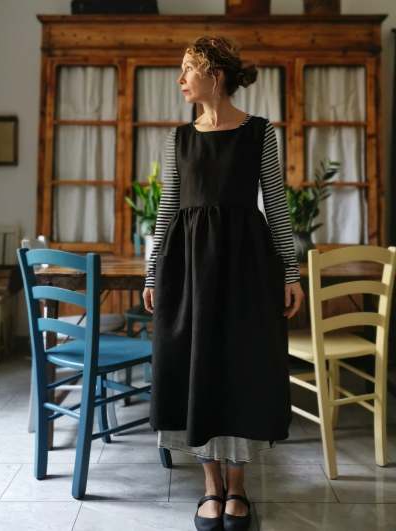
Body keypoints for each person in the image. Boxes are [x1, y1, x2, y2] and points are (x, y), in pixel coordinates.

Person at [143, 35, 305, 531]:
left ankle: (238, 488)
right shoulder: (179, 138)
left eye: (187, 70)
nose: (180, 80)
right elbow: (167, 210)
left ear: (214, 75)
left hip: (246, 267)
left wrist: (290, 271)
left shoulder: (260, 132)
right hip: (187, 269)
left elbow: (275, 205)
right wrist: (152, 272)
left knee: (242, 368)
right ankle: (210, 485)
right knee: (195, 367)